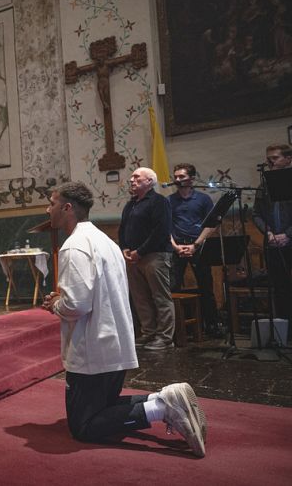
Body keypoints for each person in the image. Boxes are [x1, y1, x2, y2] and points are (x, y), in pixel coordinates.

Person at [42, 181, 206, 457]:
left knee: (84, 426)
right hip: (114, 342)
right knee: (104, 407)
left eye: (52, 204)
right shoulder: (106, 241)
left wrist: (56, 303)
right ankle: (162, 399)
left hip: (92, 348)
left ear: (67, 208)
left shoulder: (74, 246)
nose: (48, 210)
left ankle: (162, 408)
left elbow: (77, 305)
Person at [119, 167, 175, 351]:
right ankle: (149, 333)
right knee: (140, 298)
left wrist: (141, 251)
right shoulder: (131, 204)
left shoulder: (159, 201)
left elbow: (161, 230)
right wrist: (124, 248)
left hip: (155, 255)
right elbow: (123, 228)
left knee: (160, 297)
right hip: (133, 257)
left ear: (149, 181)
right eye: (131, 177)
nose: (131, 180)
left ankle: (165, 338)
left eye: (136, 177)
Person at [168, 163, 218, 335]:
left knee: (206, 286)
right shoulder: (169, 201)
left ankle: (212, 325)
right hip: (177, 247)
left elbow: (211, 225)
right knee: (173, 286)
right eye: (175, 176)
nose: (177, 179)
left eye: (181, 176)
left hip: (198, 246)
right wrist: (176, 247)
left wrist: (195, 245)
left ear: (192, 178)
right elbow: (165, 227)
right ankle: (176, 329)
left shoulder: (203, 199)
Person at [253, 143, 292, 322]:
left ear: (288, 159)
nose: (270, 162)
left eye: (275, 158)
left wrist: (288, 234)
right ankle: (284, 327)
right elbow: (256, 214)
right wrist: (268, 232)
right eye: (268, 159)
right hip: (273, 242)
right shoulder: (264, 184)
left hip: (288, 239)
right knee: (279, 287)